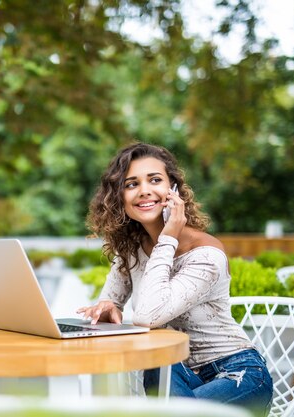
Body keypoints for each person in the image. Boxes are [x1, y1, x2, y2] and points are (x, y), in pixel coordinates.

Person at [76, 142, 273, 416]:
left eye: (155, 180)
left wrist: (168, 236)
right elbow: (110, 300)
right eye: (131, 184)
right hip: (173, 374)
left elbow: (147, 316)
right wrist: (108, 305)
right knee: (160, 356)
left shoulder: (205, 254)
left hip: (238, 375)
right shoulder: (131, 250)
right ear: (119, 197)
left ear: (174, 190)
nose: (144, 190)